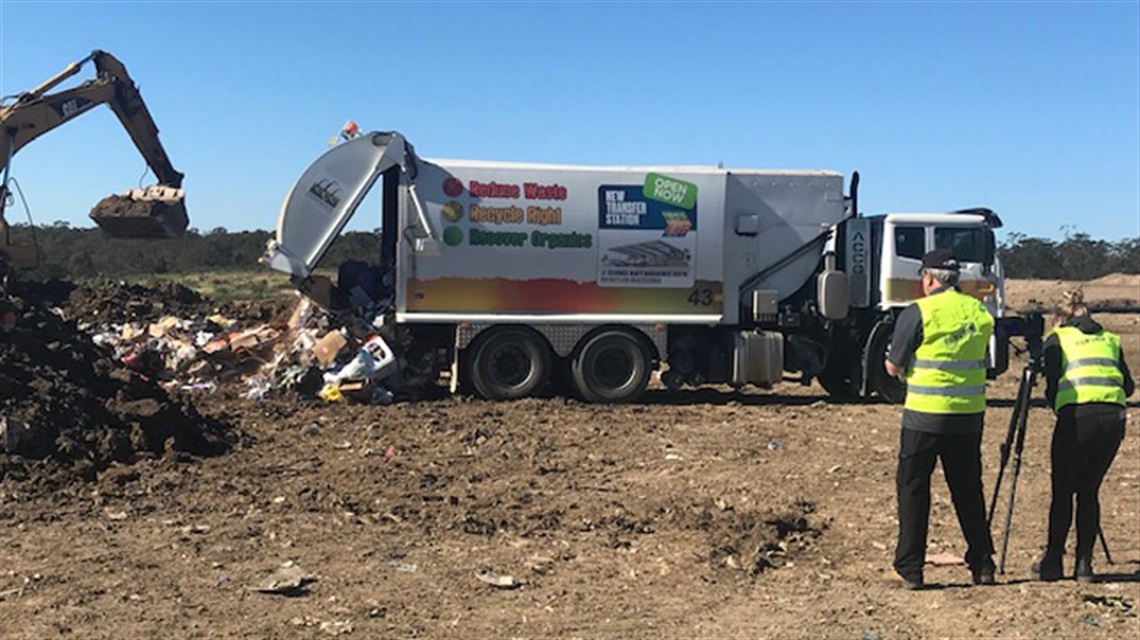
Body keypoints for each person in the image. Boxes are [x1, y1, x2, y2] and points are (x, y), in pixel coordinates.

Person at [884, 248, 997, 589]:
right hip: (968, 418)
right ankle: (982, 564)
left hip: (924, 418)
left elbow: (893, 366)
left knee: (914, 489)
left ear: (928, 278)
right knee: (967, 490)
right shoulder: (979, 312)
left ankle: (911, 567)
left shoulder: (919, 311)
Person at [1032, 290, 1134, 582]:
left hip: (1077, 419)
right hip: (1113, 420)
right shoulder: (1110, 339)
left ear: (1059, 319)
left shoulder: (1059, 339)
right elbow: (1128, 387)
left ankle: (1053, 561)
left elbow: (1052, 388)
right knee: (1088, 490)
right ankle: (1084, 565)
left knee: (1063, 491)